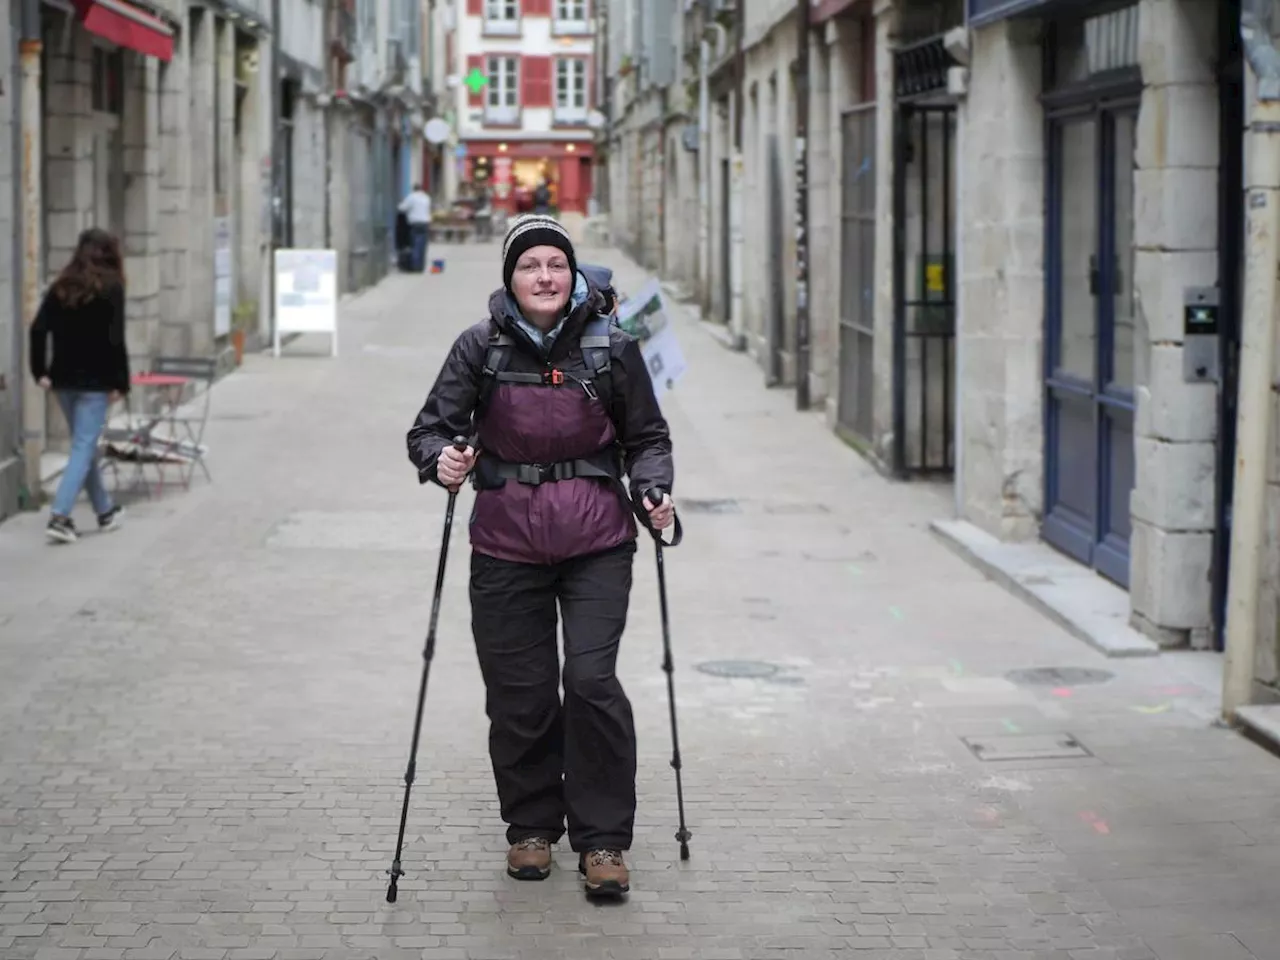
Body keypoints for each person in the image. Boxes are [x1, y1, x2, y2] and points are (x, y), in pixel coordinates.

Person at [406, 214, 676, 899]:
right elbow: (429, 429)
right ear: (510, 277)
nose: (545, 276)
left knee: (589, 683)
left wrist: (652, 488)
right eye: (531, 266)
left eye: (556, 264)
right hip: (504, 543)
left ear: (574, 272)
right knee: (521, 697)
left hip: (597, 542)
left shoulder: (612, 347)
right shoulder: (480, 348)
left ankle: (604, 840)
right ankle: (530, 827)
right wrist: (443, 458)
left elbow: (647, 436)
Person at [29, 227, 129, 544]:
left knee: (82, 448)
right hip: (95, 384)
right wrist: (121, 382)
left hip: (63, 382)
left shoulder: (61, 286)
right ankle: (60, 516)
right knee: (83, 448)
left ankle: (105, 512)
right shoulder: (112, 288)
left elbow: (37, 329)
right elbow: (116, 340)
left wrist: (39, 371)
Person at [398, 183, 432, 272]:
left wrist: (401, 203)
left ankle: (415, 266)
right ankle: (421, 265)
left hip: (415, 224)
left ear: (413, 189)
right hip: (425, 223)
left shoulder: (411, 197)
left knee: (415, 245)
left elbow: (402, 208)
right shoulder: (426, 198)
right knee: (422, 246)